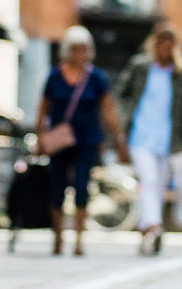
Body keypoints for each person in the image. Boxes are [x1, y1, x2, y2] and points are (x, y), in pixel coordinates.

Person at [35, 25, 123, 256]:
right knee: (56, 187)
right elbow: (43, 107)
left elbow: (107, 109)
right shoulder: (55, 76)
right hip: (59, 141)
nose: (79, 54)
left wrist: (118, 136)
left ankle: (79, 239)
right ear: (67, 50)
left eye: (83, 49)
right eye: (75, 49)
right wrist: (39, 136)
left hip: (87, 140)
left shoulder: (96, 78)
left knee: (82, 187)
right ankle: (57, 236)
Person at [117, 22, 182, 254]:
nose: (165, 50)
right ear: (155, 44)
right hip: (140, 136)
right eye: (162, 45)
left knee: (157, 187)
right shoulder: (140, 67)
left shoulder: (180, 73)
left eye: (170, 46)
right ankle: (155, 225)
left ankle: (147, 231)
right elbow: (122, 93)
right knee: (149, 180)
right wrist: (123, 125)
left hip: (167, 139)